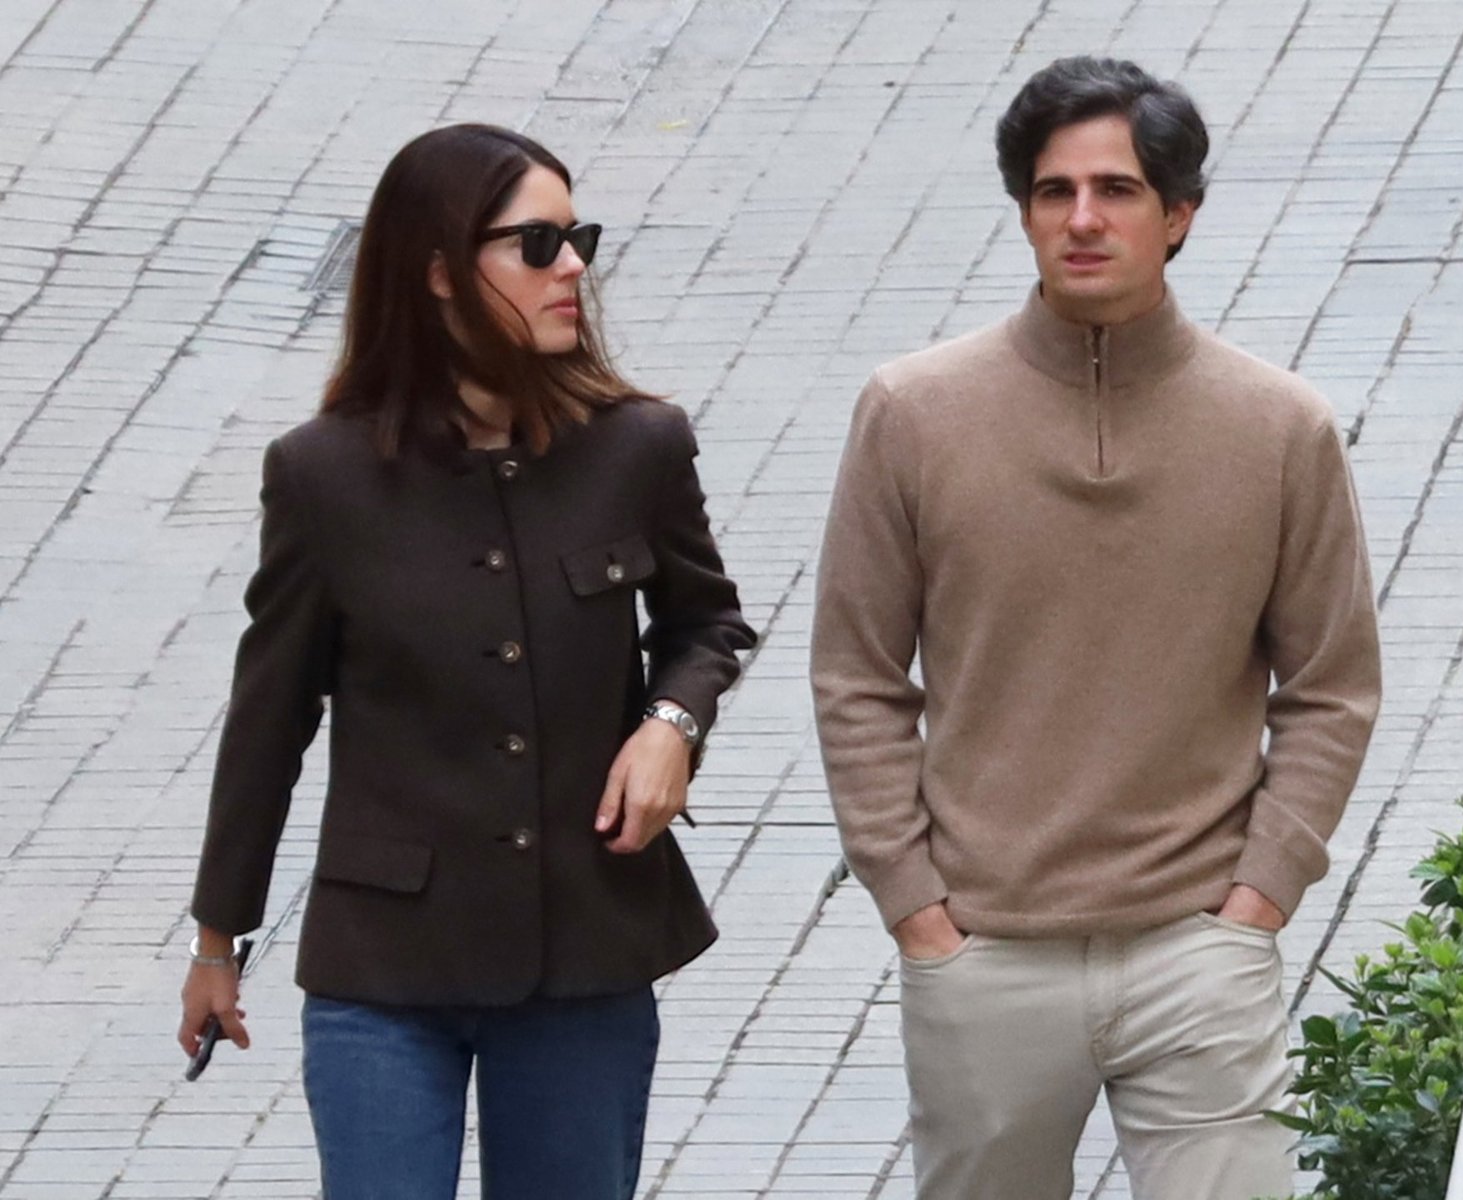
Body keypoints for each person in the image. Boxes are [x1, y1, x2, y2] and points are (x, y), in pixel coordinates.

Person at [811, 56, 1381, 1200]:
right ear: (1023, 210)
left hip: (1199, 950)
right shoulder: (912, 413)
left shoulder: (1281, 428)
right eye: (1053, 191)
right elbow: (856, 675)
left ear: (1178, 215)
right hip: (983, 952)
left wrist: (1260, 896)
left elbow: (1331, 685)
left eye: (1116, 190)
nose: (1081, 219)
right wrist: (915, 906)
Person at [177, 123, 755, 1200]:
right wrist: (219, 940)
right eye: (536, 244)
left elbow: (706, 624)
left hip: (584, 949)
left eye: (576, 238)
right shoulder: (322, 476)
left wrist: (669, 725)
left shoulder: (637, 446)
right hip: (385, 969)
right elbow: (270, 716)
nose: (572, 265)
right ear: (440, 271)